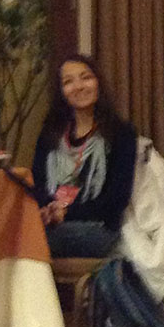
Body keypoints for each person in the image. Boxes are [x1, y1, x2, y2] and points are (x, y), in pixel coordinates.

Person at [33, 53, 137, 258]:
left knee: (32, 239)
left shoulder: (121, 133)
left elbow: (116, 200)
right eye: (68, 82)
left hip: (99, 227)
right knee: (23, 232)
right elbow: (38, 184)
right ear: (61, 92)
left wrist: (66, 213)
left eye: (86, 77)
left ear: (98, 83)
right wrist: (47, 210)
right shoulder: (50, 133)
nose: (79, 86)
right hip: (53, 223)